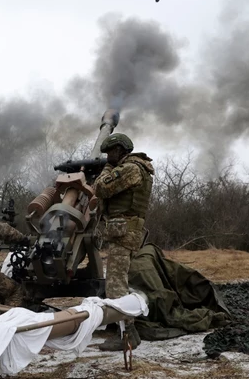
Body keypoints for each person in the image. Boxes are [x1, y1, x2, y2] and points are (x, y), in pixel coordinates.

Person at [93, 133, 155, 351]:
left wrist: (106, 170)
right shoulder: (138, 168)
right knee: (120, 283)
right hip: (127, 232)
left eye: (110, 152)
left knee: (116, 287)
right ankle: (129, 331)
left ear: (120, 150)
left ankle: (127, 336)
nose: (108, 156)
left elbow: (101, 188)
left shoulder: (130, 168)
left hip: (123, 233)